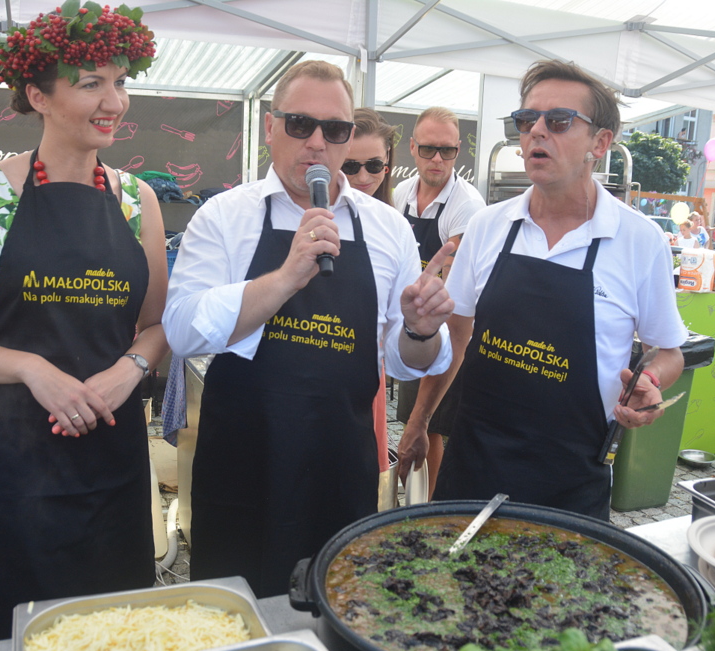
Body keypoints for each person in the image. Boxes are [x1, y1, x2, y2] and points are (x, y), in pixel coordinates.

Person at [0, 2, 168, 643]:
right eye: (92, 84)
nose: (115, 102)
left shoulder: (138, 200)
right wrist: (32, 368)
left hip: (111, 454)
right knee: (8, 641)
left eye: (121, 82)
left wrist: (128, 370)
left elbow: (157, 326)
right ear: (38, 95)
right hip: (10, 462)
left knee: (110, 640)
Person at [162, 61, 454, 597]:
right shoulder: (224, 216)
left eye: (335, 129)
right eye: (300, 124)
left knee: (332, 607)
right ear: (270, 127)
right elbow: (181, 330)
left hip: (339, 466)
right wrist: (284, 279)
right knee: (237, 614)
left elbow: (406, 360)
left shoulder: (387, 229)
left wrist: (419, 332)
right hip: (243, 464)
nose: (317, 142)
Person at [428, 59, 687, 521]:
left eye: (560, 120)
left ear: (600, 143)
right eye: (527, 119)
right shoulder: (488, 226)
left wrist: (648, 382)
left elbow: (668, 352)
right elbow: (457, 333)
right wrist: (419, 422)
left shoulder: (639, 240)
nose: (537, 131)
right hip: (473, 468)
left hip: (570, 483)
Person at [392, 106, 486, 499]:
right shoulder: (401, 194)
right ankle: (417, 502)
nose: (437, 159)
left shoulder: (467, 207)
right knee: (412, 424)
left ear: (458, 151)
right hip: (411, 324)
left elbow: (453, 300)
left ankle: (429, 507)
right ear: (412, 148)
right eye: (429, 149)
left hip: (448, 335)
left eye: (447, 151)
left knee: (428, 428)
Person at [343, 106, 398, 476]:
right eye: (351, 166)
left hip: (367, 367)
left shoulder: (392, 225)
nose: (363, 177)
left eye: (374, 165)